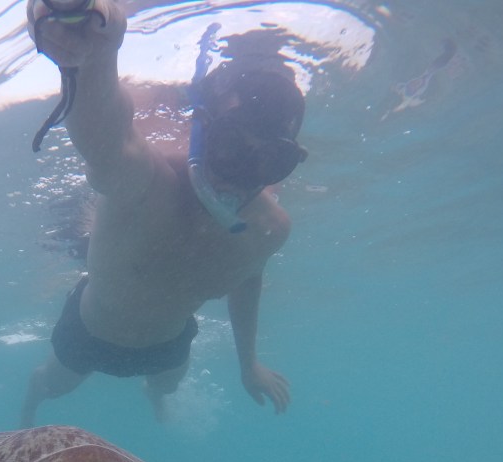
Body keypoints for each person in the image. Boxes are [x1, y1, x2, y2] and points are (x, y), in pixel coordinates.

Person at [21, 0, 308, 427]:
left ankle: (156, 398)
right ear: (205, 130)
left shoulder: (269, 229)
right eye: (230, 149)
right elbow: (105, 136)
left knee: (166, 383)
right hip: (91, 332)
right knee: (53, 384)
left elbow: (248, 275)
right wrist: (94, 55)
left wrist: (250, 364)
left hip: (169, 344)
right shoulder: (147, 182)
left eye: (267, 164)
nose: (238, 180)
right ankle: (27, 411)